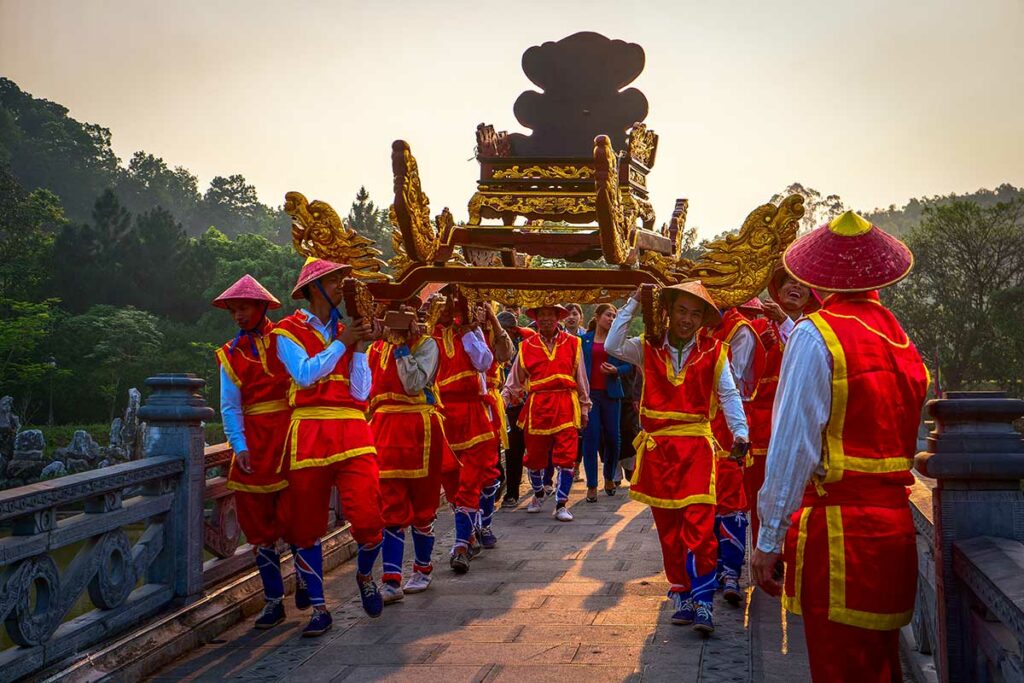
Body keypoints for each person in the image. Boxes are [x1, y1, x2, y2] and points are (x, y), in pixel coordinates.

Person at [750, 212, 929, 682]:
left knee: (839, 667)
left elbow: (793, 447)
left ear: (818, 275)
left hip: (838, 533)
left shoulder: (817, 334)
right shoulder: (901, 341)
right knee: (881, 666)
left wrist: (768, 538)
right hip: (894, 533)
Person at [606, 281, 748, 635]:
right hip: (659, 452)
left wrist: (741, 431)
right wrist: (634, 302)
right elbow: (611, 345)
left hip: (696, 449)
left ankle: (704, 600)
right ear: (668, 312)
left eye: (695, 314)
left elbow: (729, 395)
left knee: (700, 527)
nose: (687, 319)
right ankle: (681, 592)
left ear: (703, 320)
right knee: (669, 531)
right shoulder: (646, 347)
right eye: (682, 311)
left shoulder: (714, 352)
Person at [272, 257, 384, 636]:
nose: (342, 287)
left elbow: (361, 393)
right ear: (312, 288)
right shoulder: (286, 331)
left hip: (352, 427)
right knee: (306, 524)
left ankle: (365, 574)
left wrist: (360, 348)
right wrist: (343, 343)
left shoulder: (346, 330)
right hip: (309, 430)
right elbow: (304, 374)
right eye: (334, 280)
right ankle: (319, 607)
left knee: (369, 515)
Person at [213, 275, 303, 630]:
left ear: (261, 307)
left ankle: (307, 582)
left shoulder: (286, 339)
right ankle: (273, 600)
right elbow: (229, 406)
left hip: (290, 438)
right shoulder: (230, 353)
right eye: (233, 310)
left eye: (244, 308)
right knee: (259, 530)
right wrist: (239, 446)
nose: (238, 315)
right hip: (253, 445)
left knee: (298, 519)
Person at [367, 302, 454, 603]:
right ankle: (391, 580)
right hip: (384, 429)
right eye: (385, 311)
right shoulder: (375, 348)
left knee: (422, 504)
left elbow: (414, 383)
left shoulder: (427, 344)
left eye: (402, 311)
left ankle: (423, 568)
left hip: (420, 428)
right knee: (390, 505)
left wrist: (402, 347)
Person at [744, 267, 821, 543]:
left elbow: (810, 364)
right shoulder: (755, 329)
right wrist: (759, 352)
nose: (795, 287)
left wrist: (785, 324)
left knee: (799, 498)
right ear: (778, 290)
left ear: (810, 295)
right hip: (761, 427)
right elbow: (738, 377)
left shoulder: (813, 331)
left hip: (801, 427)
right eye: (789, 282)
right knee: (759, 497)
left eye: (802, 284)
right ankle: (762, 555)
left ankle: (793, 559)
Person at [502, 305, 591, 521]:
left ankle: (561, 503)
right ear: (536, 319)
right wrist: (501, 402)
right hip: (538, 406)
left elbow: (581, 378)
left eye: (550, 315)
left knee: (567, 456)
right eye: (542, 315)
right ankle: (539, 492)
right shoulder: (526, 346)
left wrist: (584, 407)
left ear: (558, 317)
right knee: (534, 457)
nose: (546, 319)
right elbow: (514, 381)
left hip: (566, 403)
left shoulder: (573, 343)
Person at [433, 295, 499, 573]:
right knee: (450, 481)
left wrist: (468, 331)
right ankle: (469, 534)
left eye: (451, 302)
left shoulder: (471, 332)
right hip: (442, 416)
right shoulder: (426, 335)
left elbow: (484, 361)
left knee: (471, 481)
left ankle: (460, 545)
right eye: (440, 302)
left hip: (473, 413)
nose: (445, 308)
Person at [706, 302, 765, 605]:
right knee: (702, 499)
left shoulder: (740, 330)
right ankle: (710, 569)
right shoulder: (698, 325)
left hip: (727, 424)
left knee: (730, 498)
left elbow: (733, 383)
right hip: (698, 421)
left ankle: (731, 571)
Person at [581, 304, 633, 501]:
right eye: (608, 315)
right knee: (591, 437)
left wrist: (616, 370)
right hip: (590, 396)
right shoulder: (583, 340)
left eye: (614, 316)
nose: (611, 319)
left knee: (613, 438)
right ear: (597, 316)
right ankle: (592, 485)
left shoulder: (617, 341)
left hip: (611, 395)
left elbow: (629, 366)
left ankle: (610, 476)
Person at [477, 303, 514, 548]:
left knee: (488, 468)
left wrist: (492, 319)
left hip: (487, 406)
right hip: (453, 407)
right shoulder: (446, 331)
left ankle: (485, 523)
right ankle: (468, 529)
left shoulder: (493, 331)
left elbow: (505, 354)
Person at [497, 311, 535, 508]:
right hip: (501, 402)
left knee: (523, 448)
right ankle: (505, 487)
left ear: (512, 330)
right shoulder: (492, 343)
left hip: (526, 402)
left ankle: (523, 489)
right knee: (504, 448)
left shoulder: (527, 343)